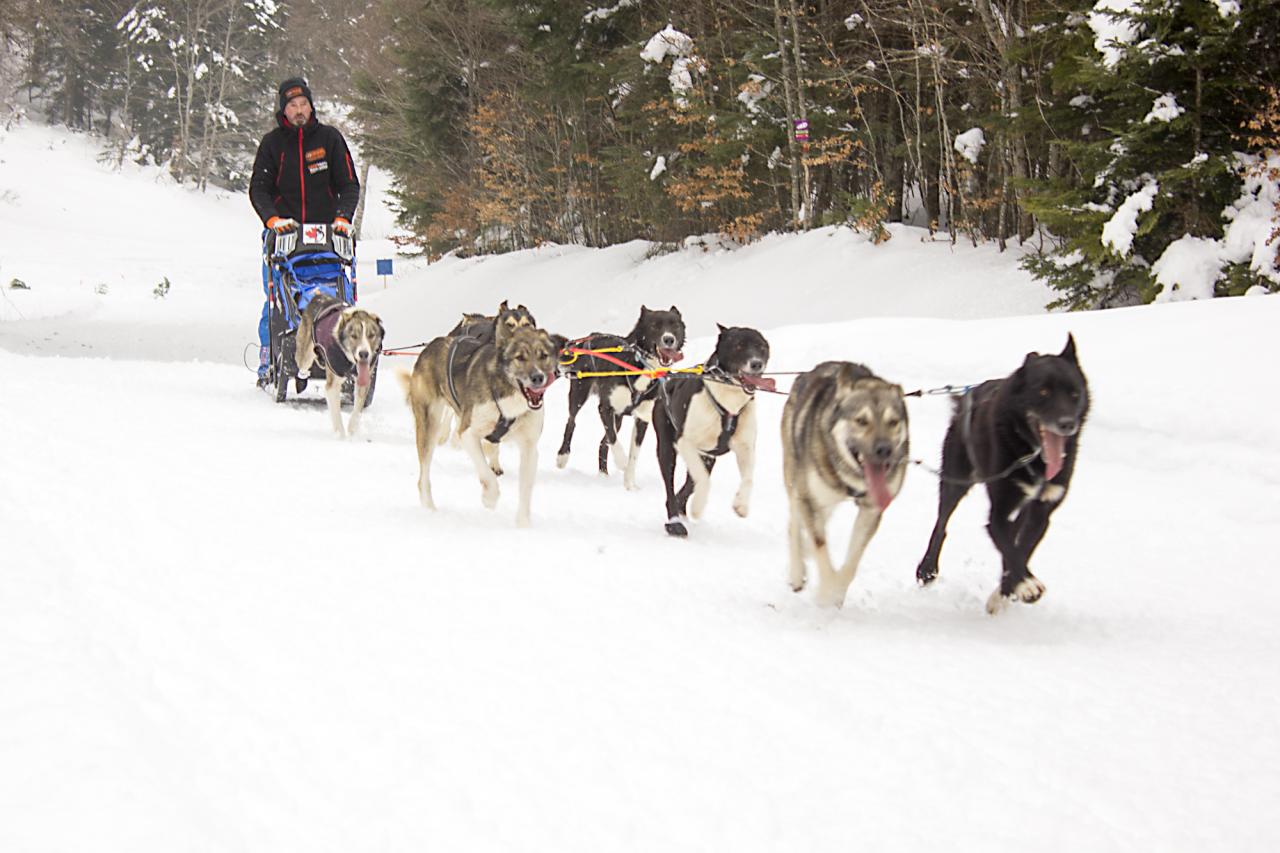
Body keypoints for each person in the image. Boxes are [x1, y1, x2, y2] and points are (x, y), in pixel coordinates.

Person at [249, 77, 361, 385]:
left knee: (337, 294)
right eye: (293, 106)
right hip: (284, 238)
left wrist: (343, 217)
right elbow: (259, 189)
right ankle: (268, 362)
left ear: (311, 107)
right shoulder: (273, 144)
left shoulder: (329, 139)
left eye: (303, 105)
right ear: (284, 111)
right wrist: (272, 220)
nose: (299, 111)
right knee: (276, 301)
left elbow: (349, 184)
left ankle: (344, 353)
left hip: (327, 238)